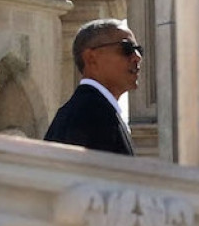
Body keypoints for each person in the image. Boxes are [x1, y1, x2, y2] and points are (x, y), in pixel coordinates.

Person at [44, 18, 143, 155]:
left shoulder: (95, 111)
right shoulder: (88, 115)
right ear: (91, 58)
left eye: (139, 50)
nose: (137, 57)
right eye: (127, 48)